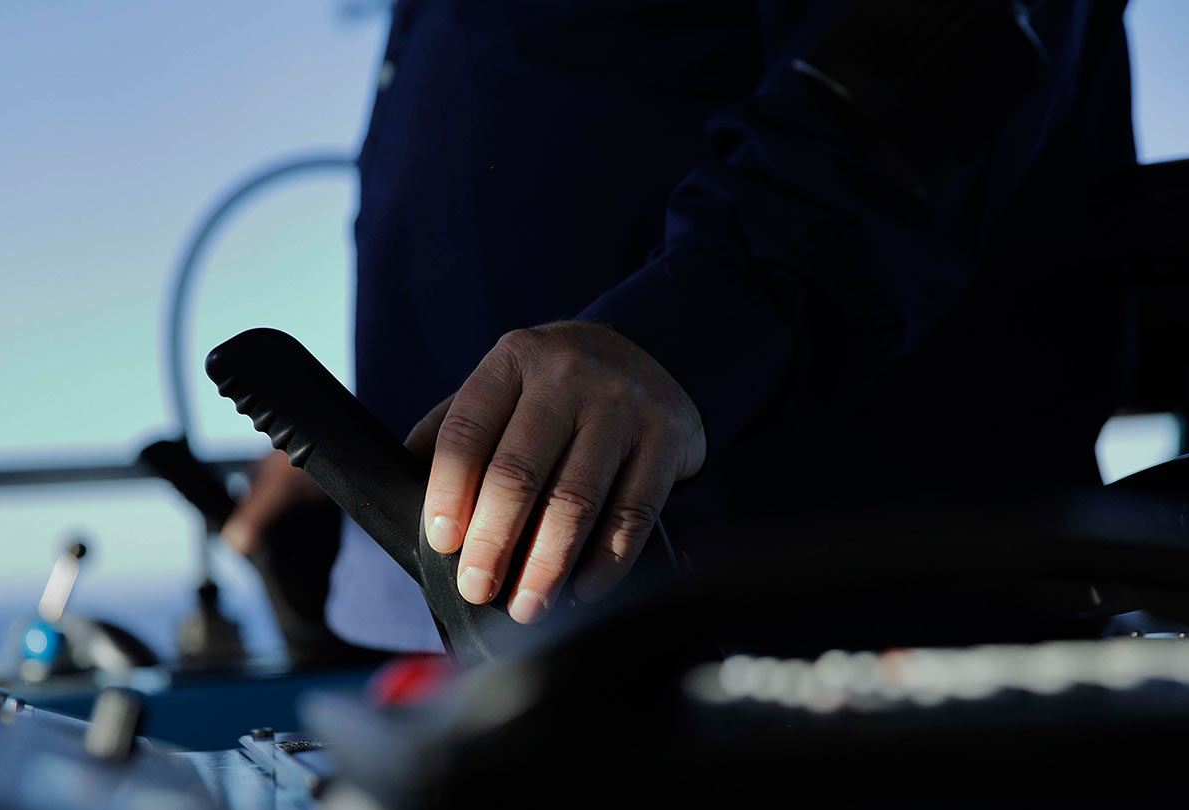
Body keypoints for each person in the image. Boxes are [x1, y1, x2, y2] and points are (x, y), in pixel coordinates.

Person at [227, 0, 1136, 653]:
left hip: (816, 617)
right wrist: (361, 454)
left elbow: (948, 44)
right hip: (502, 640)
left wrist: (692, 328)